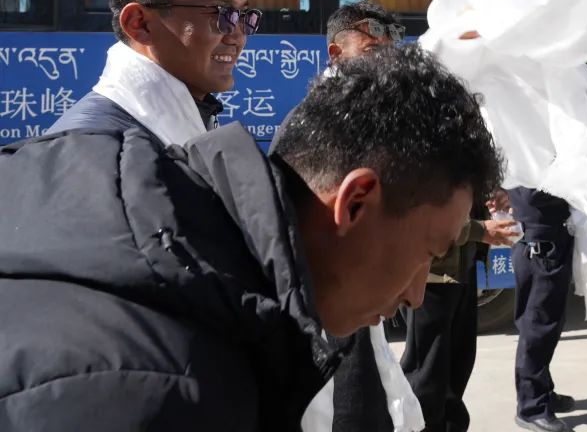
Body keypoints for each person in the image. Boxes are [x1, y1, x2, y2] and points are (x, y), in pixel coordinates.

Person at [0, 43, 504, 431]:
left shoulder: (139, 201)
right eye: (428, 253)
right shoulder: (173, 390)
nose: (416, 296)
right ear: (355, 202)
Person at [310, 1, 519, 432]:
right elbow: (398, 209)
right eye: (371, 52)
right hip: (352, 292)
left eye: (389, 53)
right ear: (336, 53)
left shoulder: (391, 108)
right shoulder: (328, 122)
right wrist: (478, 230)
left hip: (425, 269)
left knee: (443, 369)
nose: (384, 65)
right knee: (389, 385)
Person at [50, 0, 259, 139]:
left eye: (243, 15)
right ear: (139, 23)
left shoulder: (182, 121)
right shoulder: (93, 147)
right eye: (222, 13)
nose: (238, 37)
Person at [508, 187, 576, 432]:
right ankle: (532, 407)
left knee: (548, 323)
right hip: (540, 238)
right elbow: (533, 194)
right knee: (538, 327)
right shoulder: (530, 167)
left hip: (548, 233)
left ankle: (542, 391)